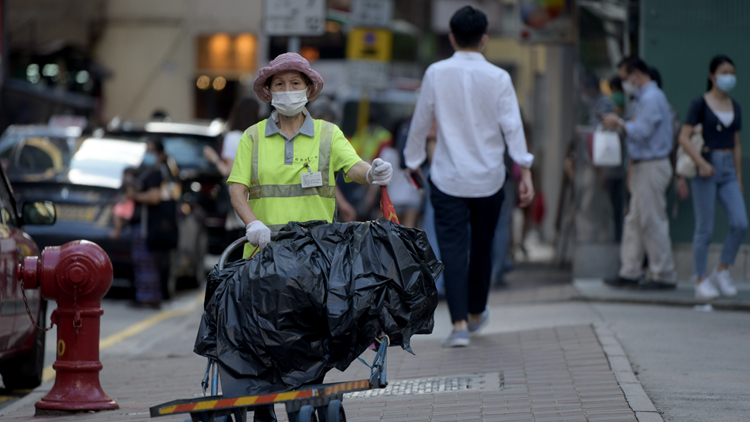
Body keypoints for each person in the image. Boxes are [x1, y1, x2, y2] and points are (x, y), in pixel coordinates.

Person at [226, 52, 393, 422]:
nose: (288, 91)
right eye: (280, 84)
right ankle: (267, 403)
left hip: (317, 260)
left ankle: (310, 395)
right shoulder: (253, 138)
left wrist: (373, 172)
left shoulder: (328, 134)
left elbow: (353, 167)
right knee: (266, 338)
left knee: (310, 342)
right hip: (264, 259)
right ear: (268, 92)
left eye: (295, 84)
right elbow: (237, 190)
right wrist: (253, 223)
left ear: (308, 90)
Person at [404, 6, 535, 348]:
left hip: (448, 176)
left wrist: (413, 160)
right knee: (483, 246)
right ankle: (477, 312)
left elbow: (421, 121)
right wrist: (525, 171)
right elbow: (513, 127)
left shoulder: (435, 72)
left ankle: (459, 324)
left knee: (452, 248)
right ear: (485, 39)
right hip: (490, 177)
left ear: (451, 38)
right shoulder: (500, 78)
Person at [602, 56, 676, 289]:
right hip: (644, 165)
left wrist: (619, 123)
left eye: (625, 78)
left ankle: (664, 274)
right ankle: (630, 271)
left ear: (636, 75)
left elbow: (642, 131)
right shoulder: (644, 98)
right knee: (634, 221)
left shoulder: (652, 98)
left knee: (652, 221)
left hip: (653, 165)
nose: (624, 83)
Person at [677, 55, 746, 299]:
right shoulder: (700, 104)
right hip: (706, 167)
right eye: (724, 72)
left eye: (732, 72)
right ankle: (700, 278)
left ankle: (722, 269)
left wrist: (738, 176)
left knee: (740, 222)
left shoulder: (735, 106)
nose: (729, 77)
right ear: (712, 76)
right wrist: (702, 163)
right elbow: (684, 137)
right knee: (704, 228)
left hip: (728, 169)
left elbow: (737, 144)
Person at [127, 140, 170, 307]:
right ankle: (145, 296)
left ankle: (149, 298)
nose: (147, 155)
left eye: (151, 151)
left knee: (146, 262)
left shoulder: (156, 174)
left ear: (160, 154)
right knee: (143, 262)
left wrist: (134, 196)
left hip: (148, 225)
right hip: (147, 225)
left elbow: (154, 197)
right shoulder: (150, 172)